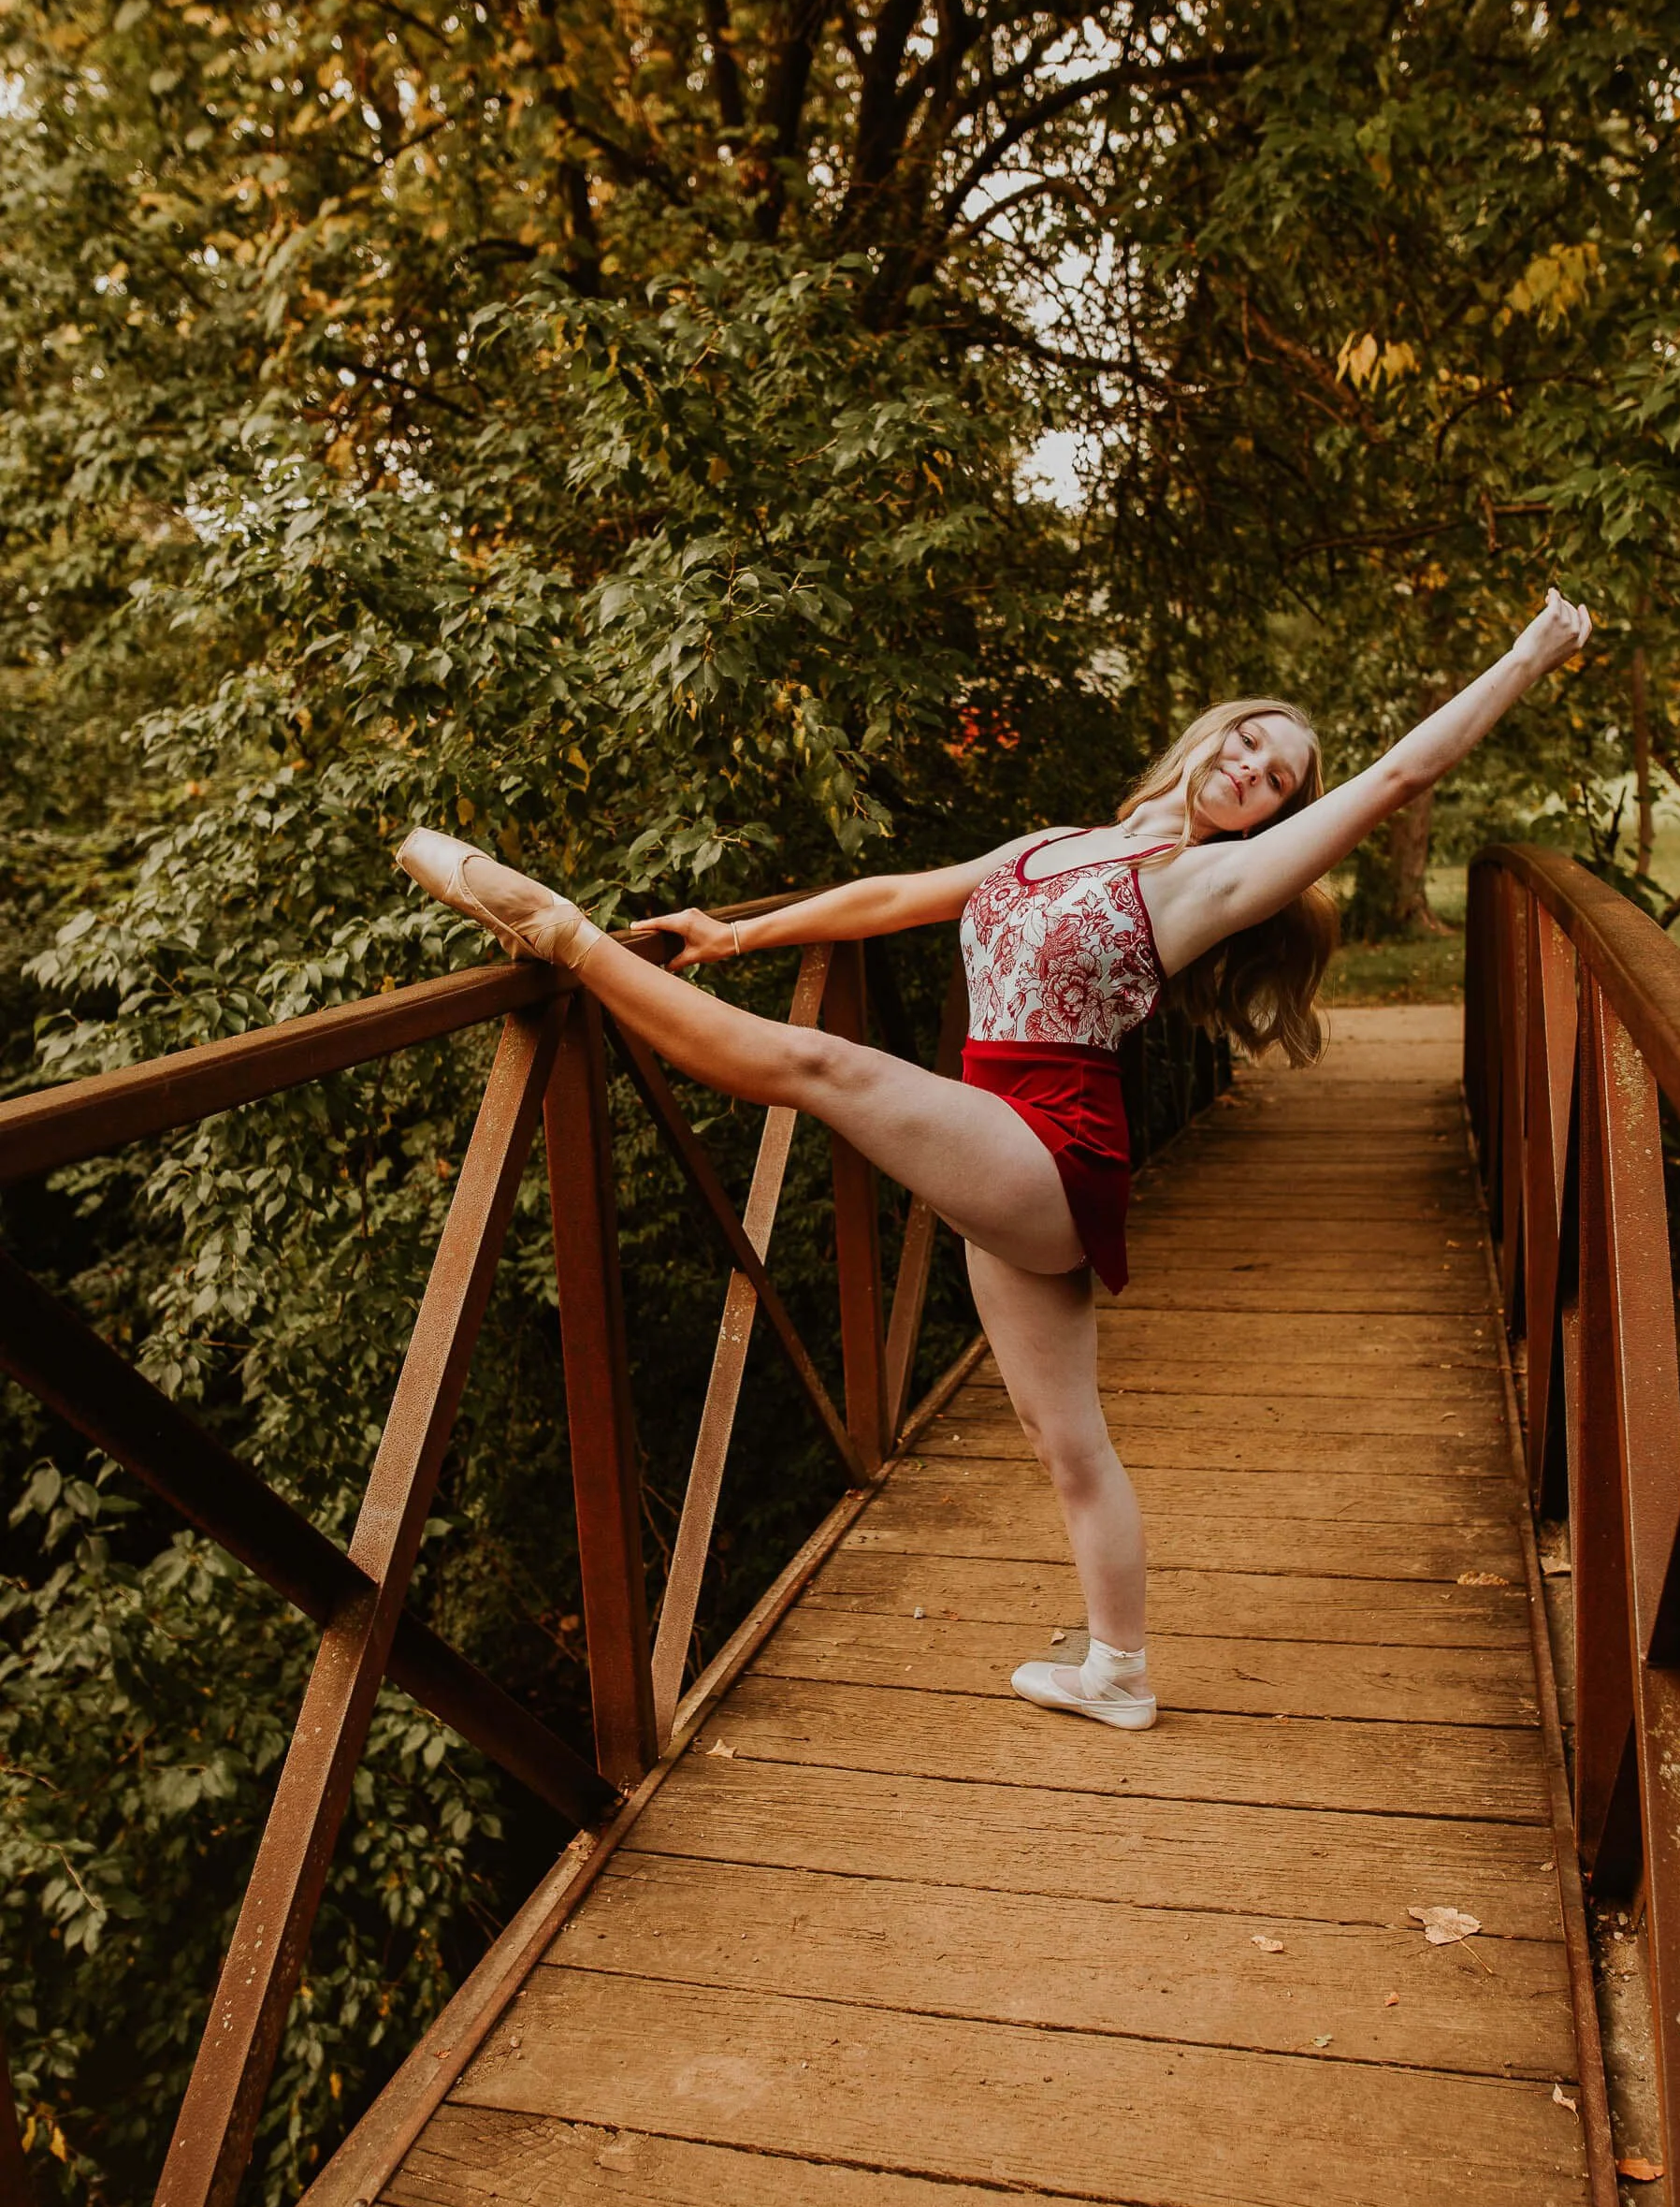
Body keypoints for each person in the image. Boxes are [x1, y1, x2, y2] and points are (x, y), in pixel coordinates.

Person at [396, 586, 1592, 1733]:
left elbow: (1402, 772)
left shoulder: (1215, 880)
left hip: (1052, 1150)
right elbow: (905, 894)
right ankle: (1117, 1671)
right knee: (1059, 1435)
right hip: (991, 1136)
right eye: (1245, 745)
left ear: (1272, 815)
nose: (1250, 772)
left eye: (1275, 778)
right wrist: (746, 929)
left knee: (831, 1069)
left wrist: (1533, 654)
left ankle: (564, 936)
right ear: (1205, 740)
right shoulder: (1058, 842)